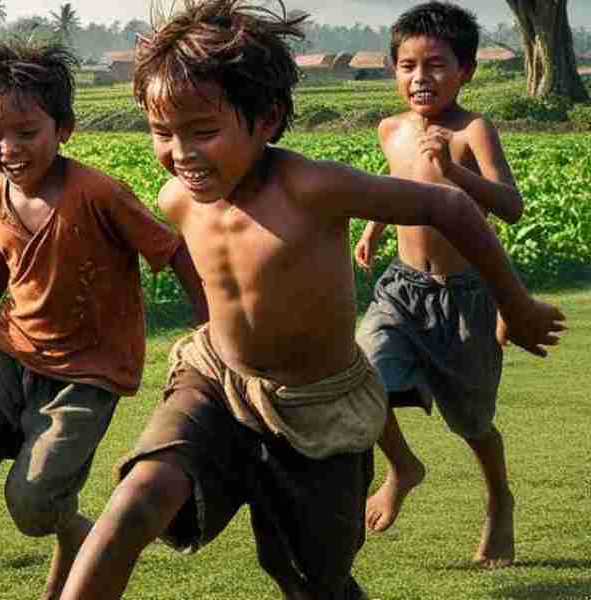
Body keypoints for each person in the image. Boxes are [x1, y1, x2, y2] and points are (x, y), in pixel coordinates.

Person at [56, 1, 564, 598]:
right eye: (162, 132)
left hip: (320, 408)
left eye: (203, 131)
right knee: (134, 502)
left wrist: (518, 305)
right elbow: (215, 282)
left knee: (307, 578)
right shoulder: (177, 198)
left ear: (267, 119)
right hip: (217, 380)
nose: (181, 153)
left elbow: (448, 205)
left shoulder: (310, 187)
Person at [0, 39, 208, 600]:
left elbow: (172, 252)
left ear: (63, 129)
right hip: (8, 353)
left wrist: (208, 328)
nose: (9, 148)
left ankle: (76, 535)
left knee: (34, 506)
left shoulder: (98, 194)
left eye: (27, 133)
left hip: (86, 375)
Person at [353, 1, 532, 568]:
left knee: (472, 421)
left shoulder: (473, 129)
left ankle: (499, 499)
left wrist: (456, 172)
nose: (420, 78)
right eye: (407, 65)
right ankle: (403, 466)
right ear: (393, 69)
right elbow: (399, 181)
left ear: (467, 71)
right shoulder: (390, 130)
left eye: (436, 65)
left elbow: (511, 205)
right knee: (363, 379)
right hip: (401, 289)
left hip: (465, 299)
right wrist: (375, 228)